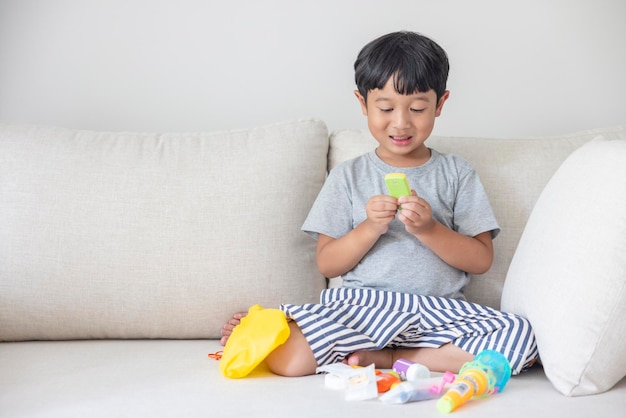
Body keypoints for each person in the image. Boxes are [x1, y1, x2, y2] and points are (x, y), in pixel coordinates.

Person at [221, 31, 537, 378]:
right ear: (363, 103)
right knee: (291, 361)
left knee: (521, 339)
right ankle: (269, 327)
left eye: (417, 108)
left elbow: (481, 259)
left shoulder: (456, 173)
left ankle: (390, 358)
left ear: (441, 104)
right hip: (362, 309)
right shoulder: (348, 176)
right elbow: (328, 264)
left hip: (439, 313)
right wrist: (370, 228)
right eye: (385, 108)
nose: (401, 122)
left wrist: (430, 229)